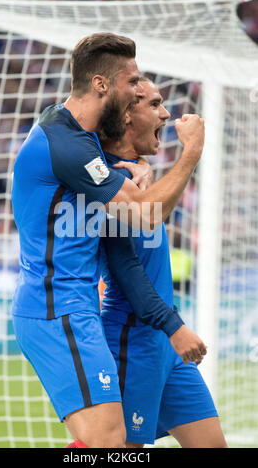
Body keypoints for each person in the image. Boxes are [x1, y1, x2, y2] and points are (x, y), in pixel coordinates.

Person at [11, 32, 206, 448]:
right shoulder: (65, 143)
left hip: (76, 307)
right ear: (101, 85)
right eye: (132, 81)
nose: (138, 89)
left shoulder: (82, 140)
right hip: (54, 306)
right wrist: (190, 153)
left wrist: (134, 168)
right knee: (109, 445)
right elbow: (144, 214)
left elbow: (122, 183)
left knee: (112, 444)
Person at [99, 77, 228, 448]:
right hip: (132, 337)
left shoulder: (135, 172)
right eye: (154, 104)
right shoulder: (105, 183)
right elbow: (126, 272)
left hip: (164, 344)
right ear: (126, 114)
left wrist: (139, 163)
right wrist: (193, 151)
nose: (166, 113)